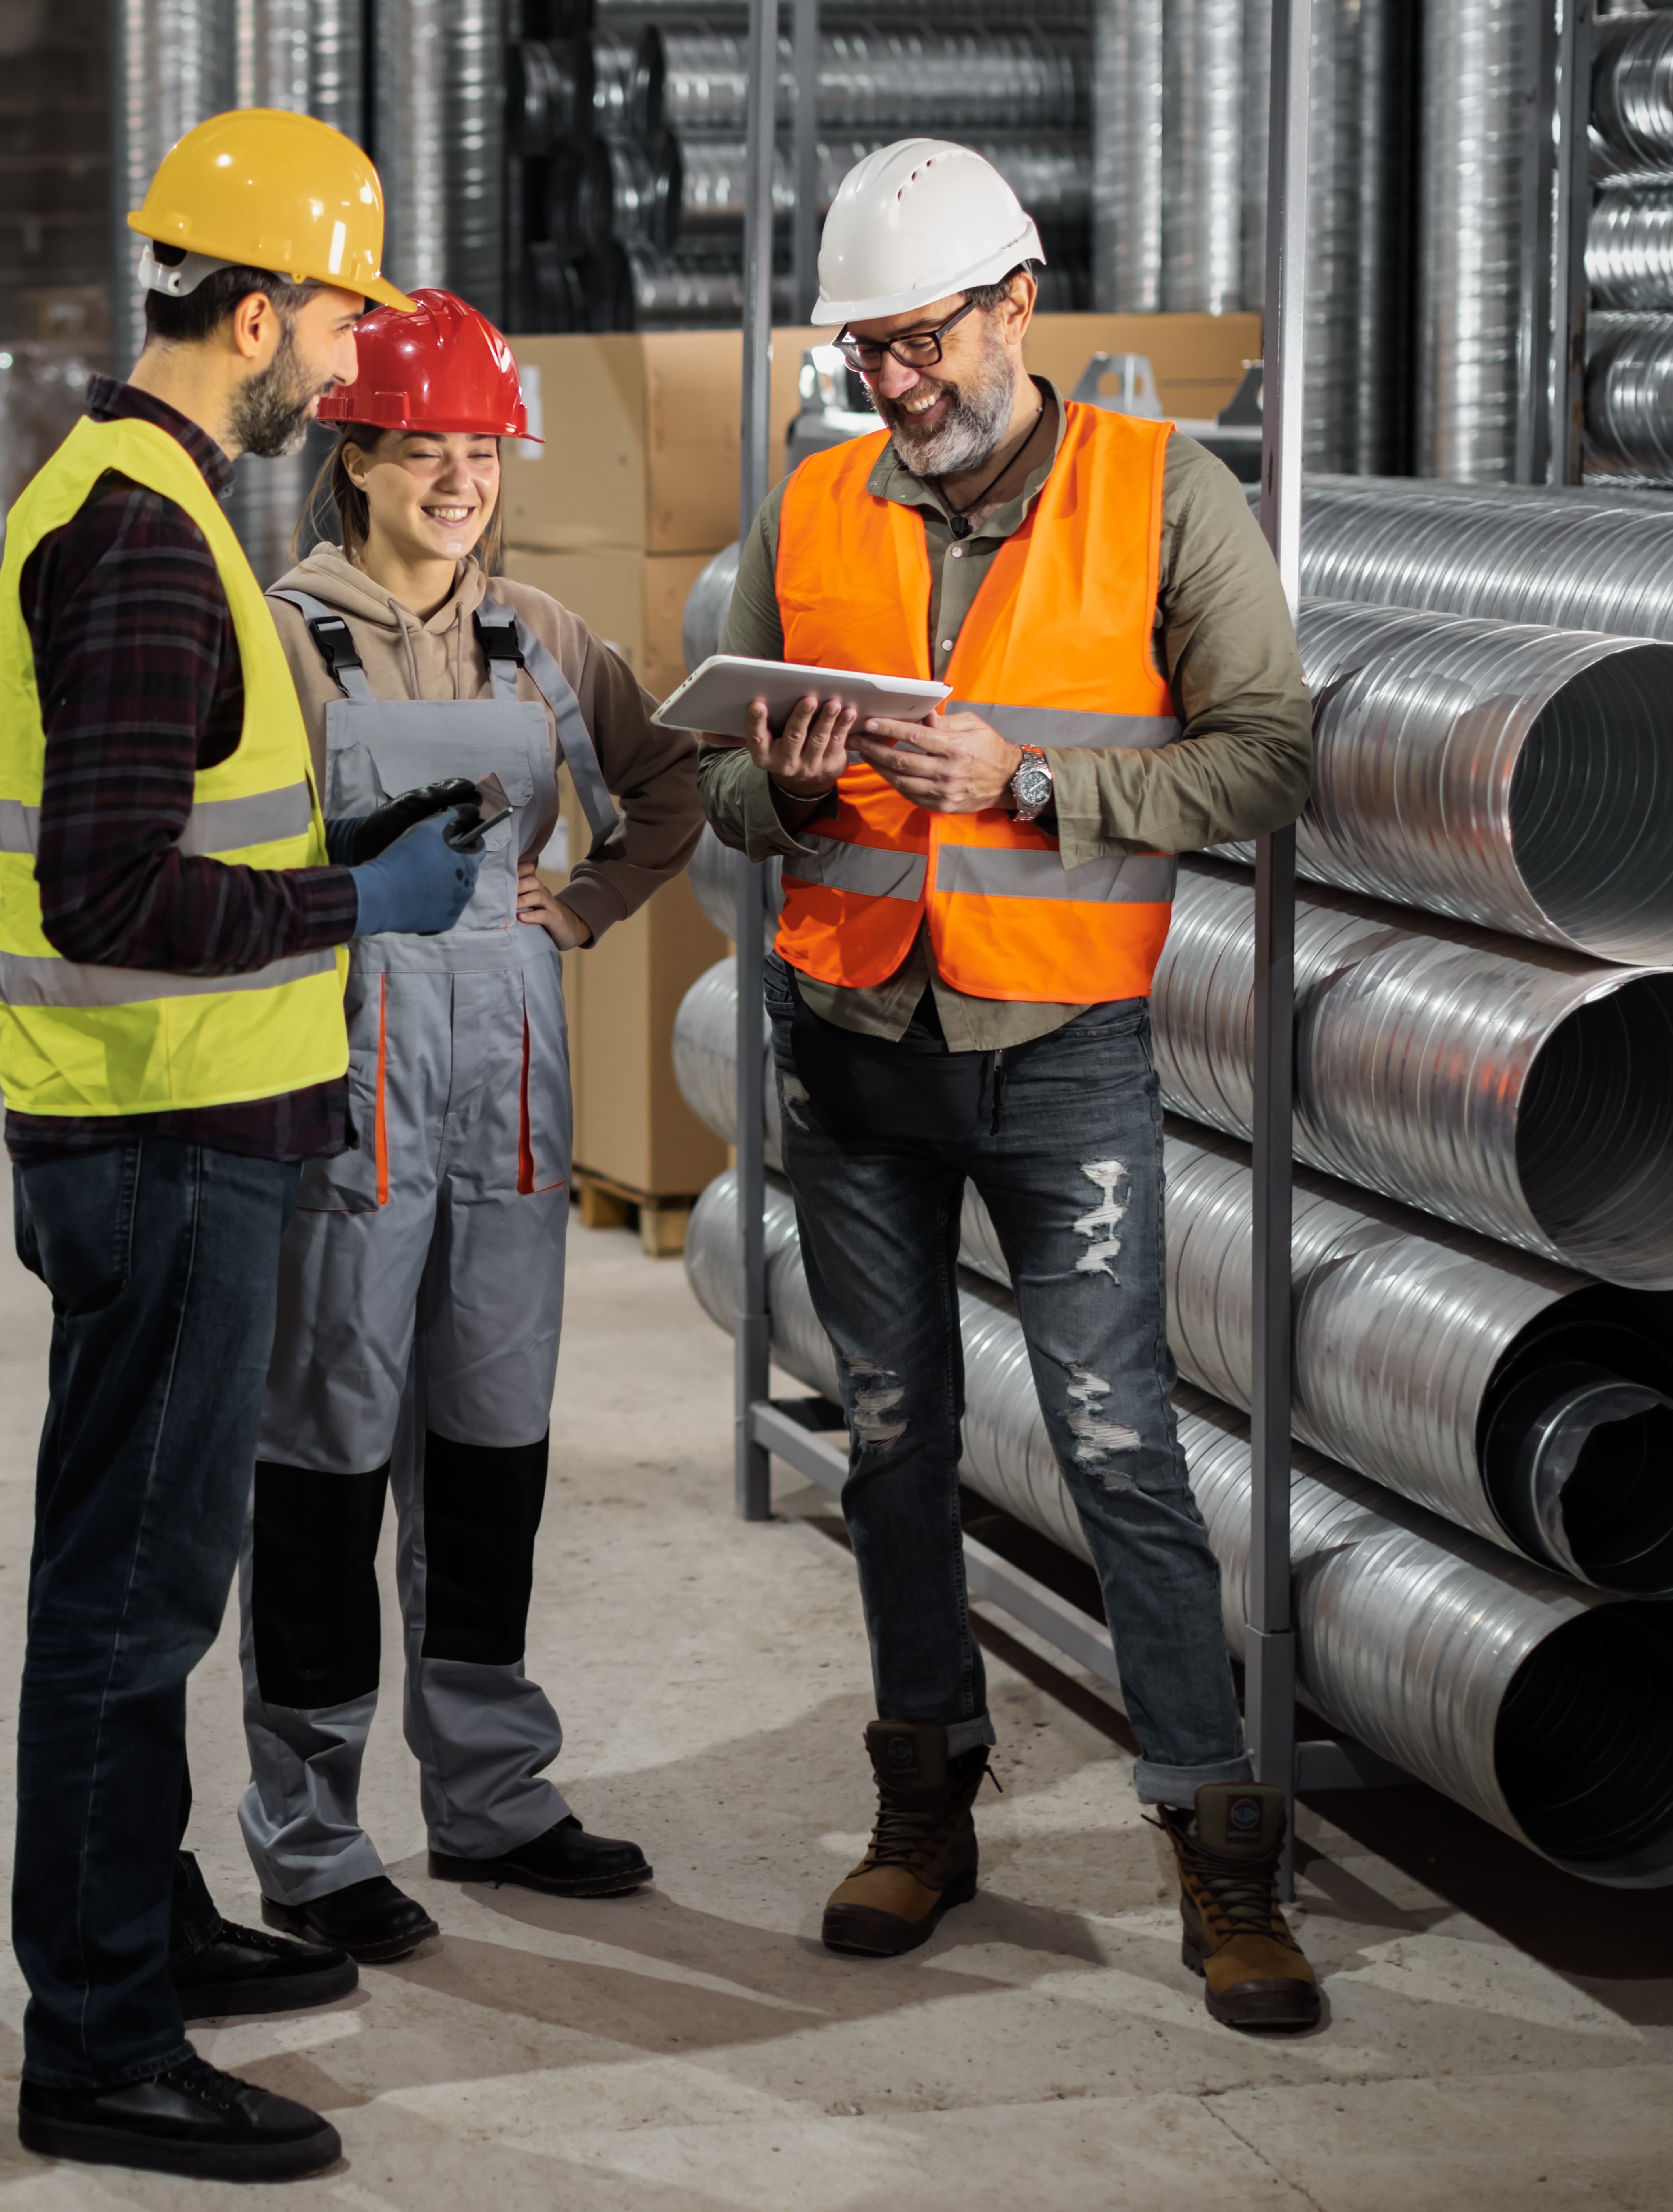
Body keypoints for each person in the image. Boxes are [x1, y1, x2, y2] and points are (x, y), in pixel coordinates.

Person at [697, 138, 1324, 2032]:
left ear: (1014, 302)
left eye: (916, 343)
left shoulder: (1160, 495)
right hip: (855, 1039)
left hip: (1059, 1047)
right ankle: (922, 1807)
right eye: (862, 353)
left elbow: (1270, 755)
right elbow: (722, 784)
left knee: (1118, 1443)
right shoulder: (811, 510)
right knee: (888, 1430)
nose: (891, 385)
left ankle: (1221, 1858)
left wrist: (1039, 792)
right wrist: (786, 790)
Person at [0, 111, 485, 2182]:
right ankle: (98, 2041)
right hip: (160, 1136)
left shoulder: (153, 500)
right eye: (337, 332)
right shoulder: (134, 529)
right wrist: (343, 908)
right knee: (131, 1591)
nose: (349, 377)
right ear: (257, 311)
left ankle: (148, 1921)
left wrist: (327, 851)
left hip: (196, 1127)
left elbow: (184, 820)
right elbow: (109, 890)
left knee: (142, 1573)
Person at [234, 290, 707, 1963]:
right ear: (353, 458)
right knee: (321, 1464)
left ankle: (491, 1799)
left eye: (478, 451)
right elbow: (218, 862)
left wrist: (573, 914)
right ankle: (307, 1832)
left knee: (493, 1449)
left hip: (508, 1098)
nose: (456, 480)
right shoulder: (281, 636)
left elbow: (670, 791)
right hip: (347, 1090)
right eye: (420, 449)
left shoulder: (547, 641)